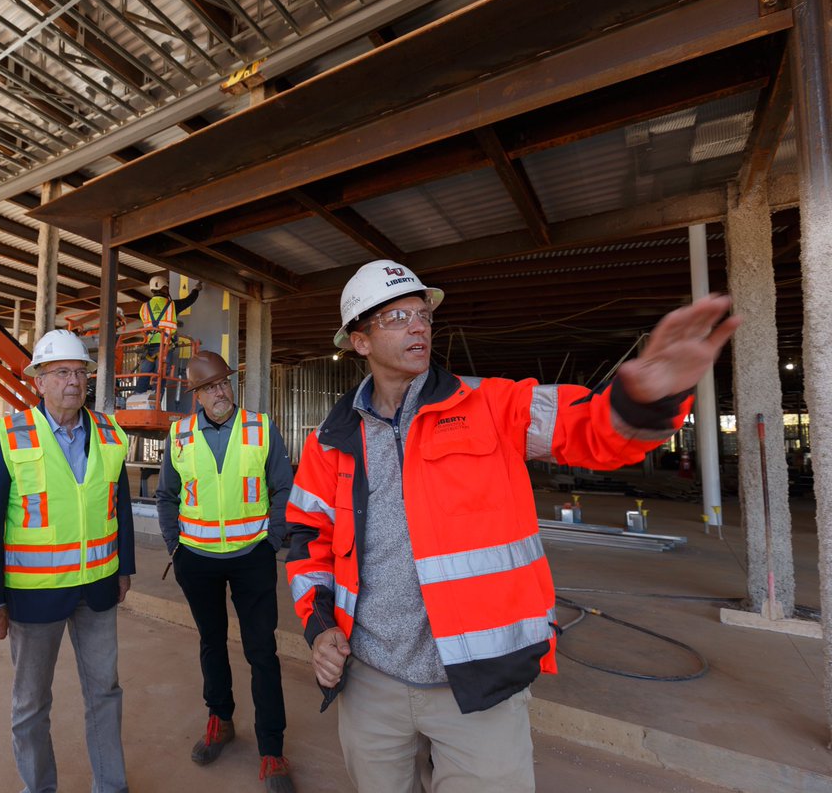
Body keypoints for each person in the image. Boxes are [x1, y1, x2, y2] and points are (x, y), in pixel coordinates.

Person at [285, 259, 740, 792]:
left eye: (423, 314)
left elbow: (591, 431)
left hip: (478, 683)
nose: (418, 326)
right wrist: (320, 628)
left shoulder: (492, 405)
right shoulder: (330, 439)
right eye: (396, 317)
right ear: (359, 341)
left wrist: (641, 399)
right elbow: (307, 539)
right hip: (369, 681)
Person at [0, 328, 136, 793]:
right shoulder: (9, 434)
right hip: (33, 596)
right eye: (61, 372)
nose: (73, 382)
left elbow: (117, 503)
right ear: (38, 382)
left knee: (105, 693)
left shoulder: (109, 432)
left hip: (98, 590)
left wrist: (123, 568)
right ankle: (39, 788)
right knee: (30, 704)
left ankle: (111, 786)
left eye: (80, 372)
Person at [157, 351, 296, 792]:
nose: (220, 393)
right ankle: (221, 719)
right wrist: (175, 547)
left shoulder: (260, 428)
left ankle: (272, 749)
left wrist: (272, 541)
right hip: (197, 561)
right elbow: (166, 496)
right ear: (196, 395)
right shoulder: (179, 434)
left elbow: (283, 486)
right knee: (211, 644)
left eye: (224, 384)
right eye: (210, 387)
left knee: (262, 652)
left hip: (251, 558)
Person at [134, 274, 203, 394]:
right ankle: (155, 403)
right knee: (160, 377)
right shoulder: (172, 305)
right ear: (165, 289)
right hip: (165, 347)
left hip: (148, 347)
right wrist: (196, 289)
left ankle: (136, 403)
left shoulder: (143, 307)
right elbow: (189, 300)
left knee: (144, 376)